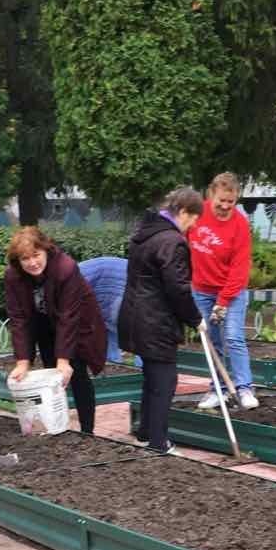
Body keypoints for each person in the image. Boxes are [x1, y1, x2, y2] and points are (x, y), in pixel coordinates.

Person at [117, 187, 204, 456]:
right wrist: (195, 318)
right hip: (155, 320)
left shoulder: (144, 234)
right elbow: (177, 288)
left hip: (134, 315)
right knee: (164, 380)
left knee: (152, 377)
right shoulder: (171, 241)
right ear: (184, 212)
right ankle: (158, 442)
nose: (194, 225)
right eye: (194, 219)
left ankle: (145, 432)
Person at [5, 228, 108, 437]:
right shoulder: (13, 276)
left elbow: (68, 317)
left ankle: (87, 431)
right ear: (18, 260)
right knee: (51, 376)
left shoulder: (65, 268)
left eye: (36, 255)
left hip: (78, 322)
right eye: (25, 258)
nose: (32, 263)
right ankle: (56, 426)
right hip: (44, 322)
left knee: (76, 372)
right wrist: (23, 360)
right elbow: (19, 319)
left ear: (46, 250)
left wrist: (64, 359)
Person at [189, 172, 257, 410]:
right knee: (212, 342)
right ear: (211, 194)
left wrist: (224, 301)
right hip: (202, 291)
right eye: (222, 201)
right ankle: (217, 390)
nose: (226, 206)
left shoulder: (239, 225)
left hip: (232, 291)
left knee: (233, 338)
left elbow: (239, 270)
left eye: (231, 202)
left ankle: (245, 388)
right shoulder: (197, 213)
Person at [78, 255, 130, 365]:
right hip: (112, 284)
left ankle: (138, 368)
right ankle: (113, 362)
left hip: (117, 287)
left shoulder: (66, 276)